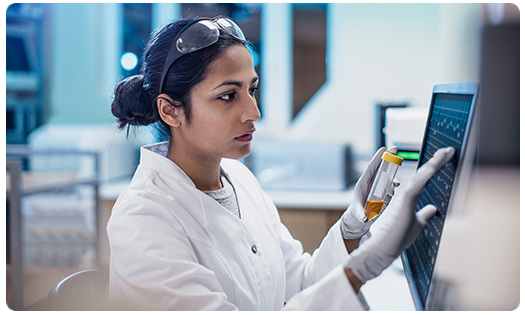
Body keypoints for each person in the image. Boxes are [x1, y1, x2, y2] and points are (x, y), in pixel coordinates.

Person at [107, 16, 454, 311]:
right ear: (171, 110)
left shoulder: (239, 180)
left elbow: (298, 285)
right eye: (228, 95)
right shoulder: (143, 218)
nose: (253, 113)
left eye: (252, 90)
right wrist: (360, 269)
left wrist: (353, 228)